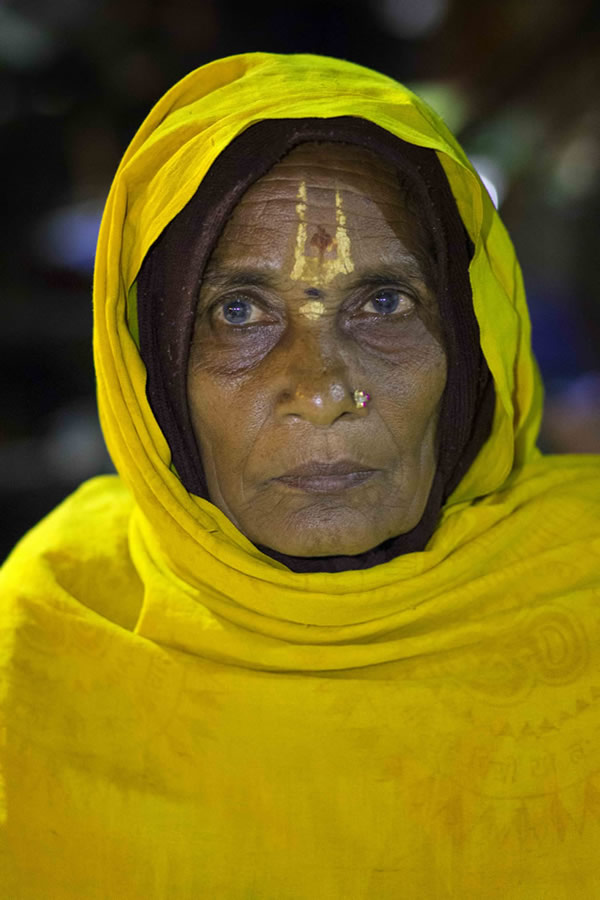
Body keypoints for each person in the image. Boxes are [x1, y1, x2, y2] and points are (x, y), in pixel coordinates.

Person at [1, 52, 599, 899]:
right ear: (155, 364)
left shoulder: (585, 581)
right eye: (238, 312)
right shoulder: (52, 632)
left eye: (384, 302)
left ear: (472, 346)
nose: (320, 391)